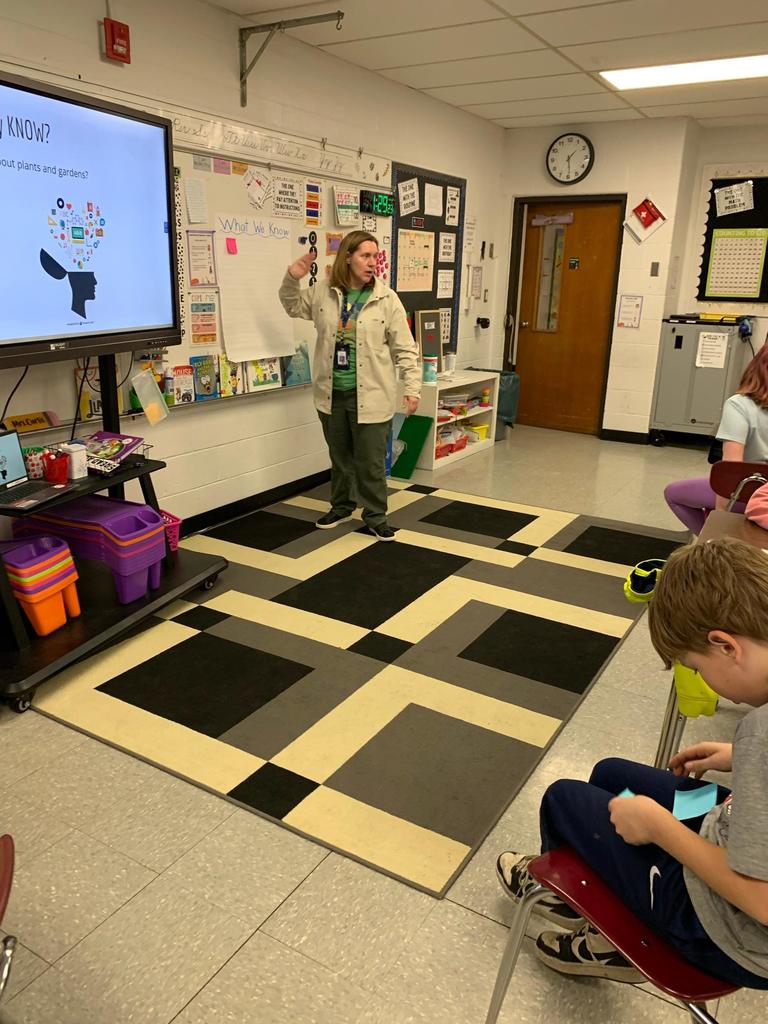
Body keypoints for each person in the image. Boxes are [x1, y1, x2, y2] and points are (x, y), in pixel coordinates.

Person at [496, 537, 768, 990]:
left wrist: (661, 828)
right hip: (730, 827)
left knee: (563, 799)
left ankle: (614, 936)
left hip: (724, 927)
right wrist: (737, 757)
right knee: (611, 776)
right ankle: (613, 878)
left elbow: (761, 899)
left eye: (694, 667)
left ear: (724, 645)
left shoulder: (762, 731)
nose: (702, 680)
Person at [279, 230, 421, 541]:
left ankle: (375, 516)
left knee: (370, 461)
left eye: (375, 256)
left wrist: (412, 388)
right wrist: (292, 278)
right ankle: (341, 506)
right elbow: (291, 305)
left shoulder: (387, 299)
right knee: (340, 456)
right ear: (347, 257)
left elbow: (405, 349)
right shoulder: (323, 292)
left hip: (372, 395)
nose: (373, 262)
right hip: (333, 394)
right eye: (365, 256)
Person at [665, 345, 768, 533]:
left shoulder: (739, 405)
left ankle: (710, 545)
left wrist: (721, 516)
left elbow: (731, 471)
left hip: (751, 494)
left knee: (673, 493)